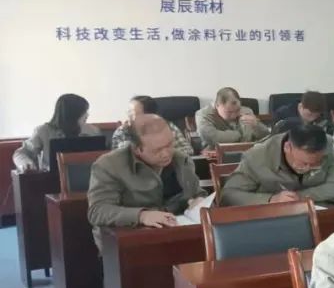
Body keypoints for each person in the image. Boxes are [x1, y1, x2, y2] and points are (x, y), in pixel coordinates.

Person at [87, 115, 204, 249]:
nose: (166, 154)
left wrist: (199, 201)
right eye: (157, 150)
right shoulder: (109, 165)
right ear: (137, 149)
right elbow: (97, 211)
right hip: (129, 241)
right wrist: (141, 216)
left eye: (169, 145)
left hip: (178, 236)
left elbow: (197, 193)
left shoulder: (181, 160)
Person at [221, 124, 334, 206]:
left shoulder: (327, 147)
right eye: (303, 163)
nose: (308, 168)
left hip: (317, 213)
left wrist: (299, 197)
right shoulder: (257, 157)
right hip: (272, 219)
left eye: (315, 164)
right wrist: (271, 199)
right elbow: (229, 195)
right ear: (287, 147)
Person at [13, 93, 101, 172]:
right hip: (52, 179)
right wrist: (26, 164)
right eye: (84, 112)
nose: (87, 115)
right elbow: (21, 153)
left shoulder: (93, 131)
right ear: (71, 115)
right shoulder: (43, 131)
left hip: (88, 177)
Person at [111, 95, 193, 157]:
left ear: (149, 115)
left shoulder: (167, 127)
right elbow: (118, 159)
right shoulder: (122, 131)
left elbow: (187, 150)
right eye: (128, 112)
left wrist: (164, 152)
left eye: (132, 113)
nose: (129, 116)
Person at [196, 87, 270, 150]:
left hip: (246, 154)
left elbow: (267, 137)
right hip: (216, 156)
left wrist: (257, 126)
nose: (234, 115)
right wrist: (240, 134)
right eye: (229, 112)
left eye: (237, 110)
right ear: (217, 105)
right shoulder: (203, 115)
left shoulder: (246, 111)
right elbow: (213, 138)